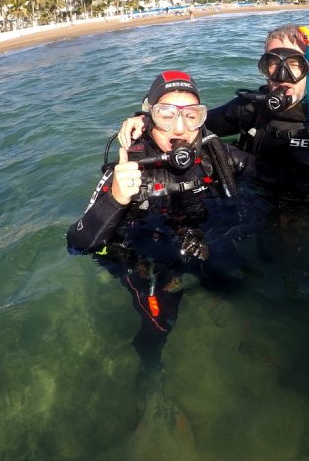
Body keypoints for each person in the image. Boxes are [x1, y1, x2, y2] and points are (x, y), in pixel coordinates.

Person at [67, 70, 253, 374]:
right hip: (148, 260)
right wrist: (115, 198)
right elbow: (77, 245)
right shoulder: (129, 168)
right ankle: (150, 379)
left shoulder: (216, 155)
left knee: (237, 284)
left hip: (200, 242)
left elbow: (271, 185)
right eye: (166, 114)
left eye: (191, 115)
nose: (179, 128)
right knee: (159, 325)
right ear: (149, 117)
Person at [119, 24, 309, 198]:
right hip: (255, 206)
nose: (281, 77)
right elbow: (191, 122)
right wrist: (147, 119)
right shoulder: (252, 108)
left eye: (294, 65)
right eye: (272, 65)